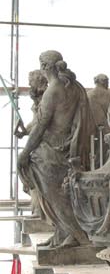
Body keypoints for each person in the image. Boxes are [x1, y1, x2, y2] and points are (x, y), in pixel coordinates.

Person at [18, 51, 92, 248]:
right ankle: (63, 233)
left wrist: (24, 153)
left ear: (44, 67)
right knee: (61, 194)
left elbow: (41, 126)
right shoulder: (74, 87)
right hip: (68, 147)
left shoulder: (53, 90)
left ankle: (74, 234)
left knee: (54, 194)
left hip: (51, 151)